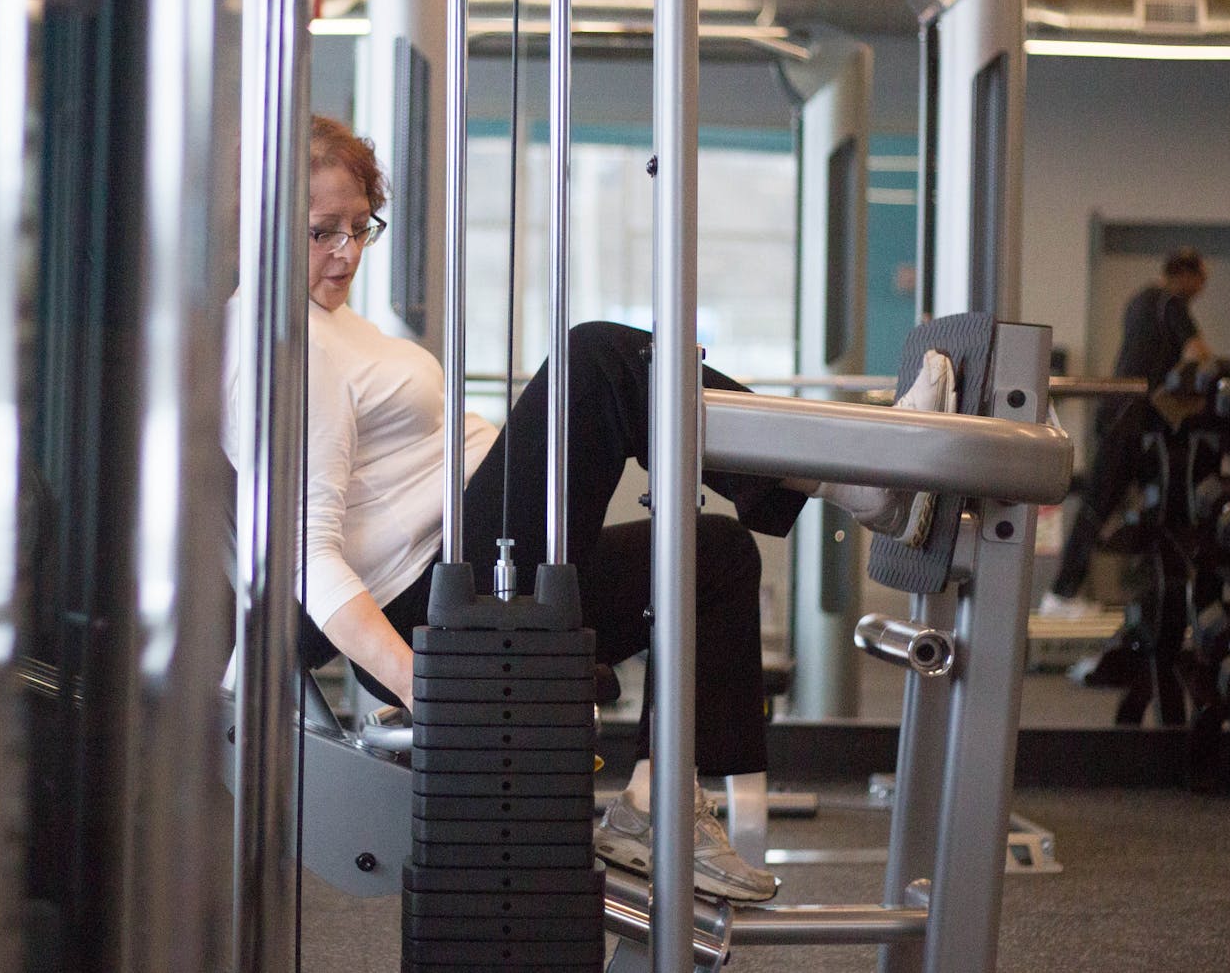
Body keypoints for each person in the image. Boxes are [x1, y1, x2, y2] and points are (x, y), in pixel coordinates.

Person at [223, 115, 953, 901]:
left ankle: (656, 803)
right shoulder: (278, 339)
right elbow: (302, 552)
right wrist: (423, 682)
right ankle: (856, 482)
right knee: (596, 359)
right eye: (320, 233)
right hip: (433, 602)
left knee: (715, 558)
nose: (346, 252)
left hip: (473, 563)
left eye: (359, 227)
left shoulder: (337, 325)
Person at [1040, 247, 1213, 619]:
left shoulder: (1139, 300)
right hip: (1131, 416)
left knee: (1153, 499)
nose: (1202, 289)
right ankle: (1060, 594)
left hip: (1123, 413)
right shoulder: (1171, 303)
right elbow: (1199, 353)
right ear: (1187, 276)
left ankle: (1156, 592)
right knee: (1099, 503)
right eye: (1202, 281)